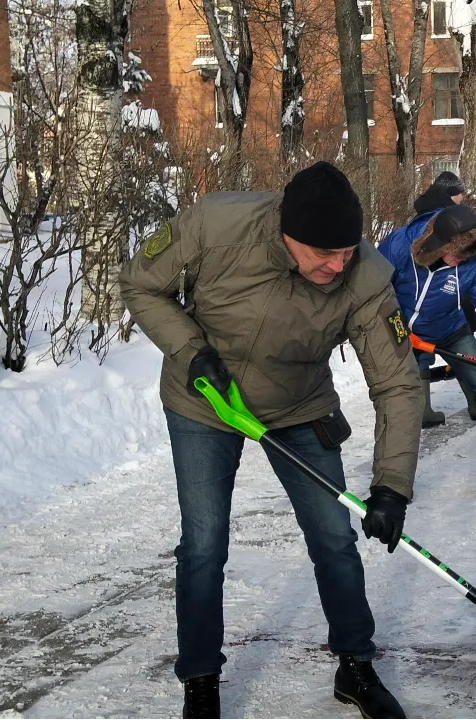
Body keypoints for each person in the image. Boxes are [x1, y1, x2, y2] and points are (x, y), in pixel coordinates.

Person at [118, 162, 420, 720]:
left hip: (301, 405)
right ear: (287, 231)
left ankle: (355, 664)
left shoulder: (367, 275)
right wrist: (191, 351)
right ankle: (201, 679)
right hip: (206, 399)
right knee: (204, 545)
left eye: (346, 251)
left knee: (335, 537)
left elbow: (398, 382)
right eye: (322, 253)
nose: (336, 266)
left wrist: (391, 486)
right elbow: (141, 283)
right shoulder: (218, 223)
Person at [379, 203, 476, 493]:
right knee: (402, 405)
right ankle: (394, 479)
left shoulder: (475, 262)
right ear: (437, 243)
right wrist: (393, 325)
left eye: (464, 259)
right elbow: (372, 289)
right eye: (454, 256)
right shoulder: (400, 245)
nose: (457, 263)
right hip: (401, 331)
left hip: (451, 329)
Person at [408, 172, 476, 426]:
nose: (463, 199)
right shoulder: (449, 218)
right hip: (445, 288)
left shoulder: (423, 208)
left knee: (423, 350)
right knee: (458, 339)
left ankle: (423, 408)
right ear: (451, 194)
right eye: (461, 194)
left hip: (433, 296)